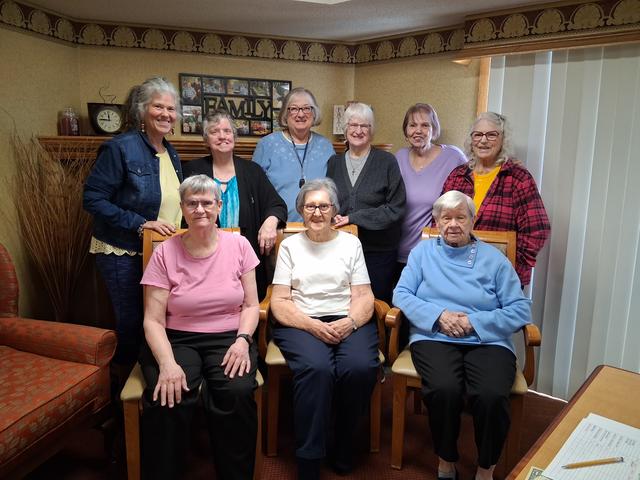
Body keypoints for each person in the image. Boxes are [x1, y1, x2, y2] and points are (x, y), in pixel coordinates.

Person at [393, 190, 531, 480]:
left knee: (491, 395)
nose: (453, 224)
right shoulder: (421, 254)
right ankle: (446, 460)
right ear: (437, 222)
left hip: (487, 339)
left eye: (461, 217)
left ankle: (486, 468)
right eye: (446, 218)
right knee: (444, 389)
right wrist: (438, 316)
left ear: (473, 221)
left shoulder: (494, 259)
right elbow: (401, 294)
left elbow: (520, 309)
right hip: (434, 335)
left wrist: (474, 322)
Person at [140, 174, 260, 480]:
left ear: (219, 206)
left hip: (229, 336)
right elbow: (152, 320)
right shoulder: (165, 252)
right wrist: (167, 363)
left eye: (207, 202)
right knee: (169, 395)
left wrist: (243, 341)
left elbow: (251, 305)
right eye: (192, 203)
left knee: (237, 392)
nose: (200, 209)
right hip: (177, 338)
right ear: (182, 208)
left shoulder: (239, 245)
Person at [270, 178, 379, 479]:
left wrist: (351, 322)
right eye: (310, 207)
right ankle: (309, 459)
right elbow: (279, 300)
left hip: (347, 317)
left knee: (359, 367)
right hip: (301, 320)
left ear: (334, 210)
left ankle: (344, 445)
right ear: (301, 210)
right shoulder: (290, 245)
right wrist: (312, 326)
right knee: (316, 369)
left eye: (323, 206)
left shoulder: (351, 243)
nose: (317, 213)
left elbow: (364, 295)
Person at [83, 76, 183, 384]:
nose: (165, 114)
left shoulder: (171, 152)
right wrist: (139, 223)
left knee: (159, 319)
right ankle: (124, 390)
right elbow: (93, 199)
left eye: (171, 109)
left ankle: (153, 381)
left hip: (160, 252)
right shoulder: (120, 148)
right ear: (142, 110)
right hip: (123, 252)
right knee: (131, 322)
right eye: (158, 107)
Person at [183, 110, 287, 298]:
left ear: (234, 137)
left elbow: (276, 205)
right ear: (206, 139)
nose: (222, 136)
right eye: (214, 132)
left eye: (227, 131)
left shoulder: (252, 171)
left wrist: (270, 223)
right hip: (203, 258)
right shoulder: (192, 170)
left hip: (246, 260)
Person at [440, 112, 550, 287]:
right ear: (471, 139)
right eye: (478, 134)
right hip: (456, 272)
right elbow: (439, 221)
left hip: (498, 278)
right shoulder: (457, 176)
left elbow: (537, 230)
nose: (483, 140)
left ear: (503, 139)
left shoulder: (518, 178)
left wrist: (511, 268)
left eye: (491, 135)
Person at [326, 102, 406, 304]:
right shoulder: (334, 163)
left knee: (376, 304)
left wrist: (354, 218)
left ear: (372, 130)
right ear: (345, 129)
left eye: (365, 126)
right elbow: (330, 201)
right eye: (353, 125)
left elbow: (395, 209)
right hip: (341, 249)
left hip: (378, 251)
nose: (358, 130)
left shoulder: (387, 161)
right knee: (343, 303)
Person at [395, 103, 466, 274]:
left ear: (434, 130)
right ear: (406, 131)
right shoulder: (399, 157)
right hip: (397, 253)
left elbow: (477, 175)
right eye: (412, 125)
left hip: (434, 255)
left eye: (425, 125)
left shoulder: (453, 157)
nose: (418, 131)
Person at [253, 87, 335, 221]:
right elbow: (254, 191)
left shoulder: (326, 146)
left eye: (306, 108)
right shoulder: (267, 145)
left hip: (318, 224)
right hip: (277, 226)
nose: (301, 114)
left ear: (314, 113)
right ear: (285, 114)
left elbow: (334, 191)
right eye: (294, 109)